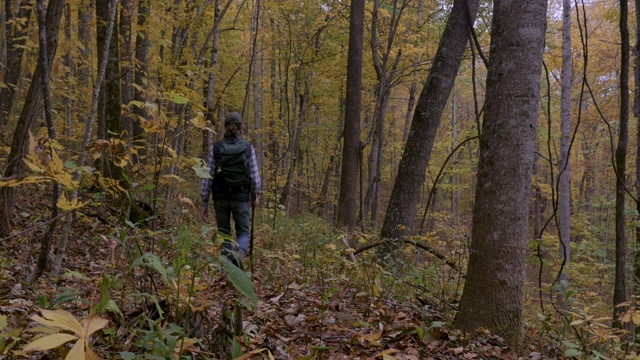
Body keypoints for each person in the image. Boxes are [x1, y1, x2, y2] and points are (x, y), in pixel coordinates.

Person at [201, 112, 261, 267]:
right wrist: (254, 196)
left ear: (225, 127)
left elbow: (208, 177)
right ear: (241, 127)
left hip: (220, 196)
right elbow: (254, 178)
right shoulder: (248, 148)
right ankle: (240, 252)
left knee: (224, 232)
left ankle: (229, 268)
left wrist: (204, 202)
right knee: (243, 232)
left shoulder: (216, 148)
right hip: (240, 196)